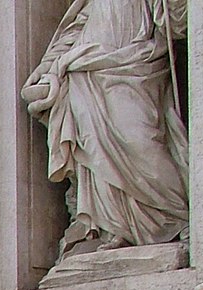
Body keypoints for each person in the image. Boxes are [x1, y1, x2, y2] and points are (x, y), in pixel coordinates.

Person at [22, 0, 188, 259]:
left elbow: (174, 23)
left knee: (142, 142)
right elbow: (75, 28)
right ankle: (116, 227)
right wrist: (46, 68)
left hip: (136, 62)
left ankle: (177, 216)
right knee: (95, 149)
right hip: (85, 68)